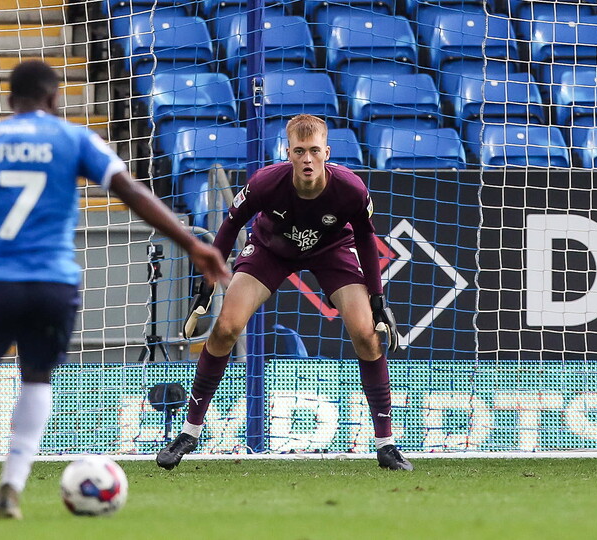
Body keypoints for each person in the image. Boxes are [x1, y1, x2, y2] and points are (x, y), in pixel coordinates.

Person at [0, 59, 231, 520]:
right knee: (35, 379)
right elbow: (131, 191)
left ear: (9, 101)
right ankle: (12, 486)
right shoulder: (75, 138)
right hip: (55, 283)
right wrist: (192, 243)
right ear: (54, 100)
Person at [157, 114, 412, 472]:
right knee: (227, 327)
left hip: (332, 251)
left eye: (313, 151)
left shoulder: (352, 189)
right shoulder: (266, 183)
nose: (307, 159)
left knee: (367, 336)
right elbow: (230, 225)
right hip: (270, 249)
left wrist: (377, 298)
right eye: (299, 151)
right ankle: (190, 432)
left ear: (327, 152)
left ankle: (386, 445)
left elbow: (367, 240)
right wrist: (207, 284)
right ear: (288, 153)